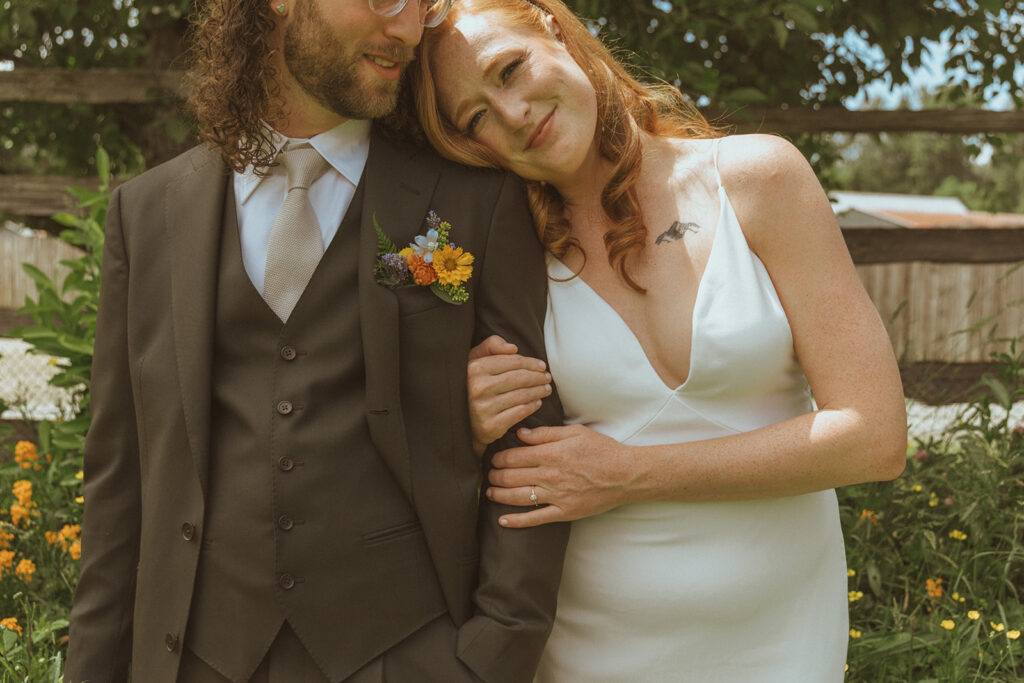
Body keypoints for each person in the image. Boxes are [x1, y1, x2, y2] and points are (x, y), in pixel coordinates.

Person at [65, 1, 569, 681]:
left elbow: (529, 451)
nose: (407, 29)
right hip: (195, 658)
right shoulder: (148, 214)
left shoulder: (474, 202)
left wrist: (488, 660)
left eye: (418, 7)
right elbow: (118, 485)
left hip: (407, 655)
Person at [409, 1, 908, 680]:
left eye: (510, 70)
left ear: (552, 27)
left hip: (782, 643)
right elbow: (446, 463)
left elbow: (874, 435)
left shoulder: (759, 180)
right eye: (476, 119)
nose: (514, 115)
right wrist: (462, 418)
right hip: (587, 651)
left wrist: (627, 473)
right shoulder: (497, 255)